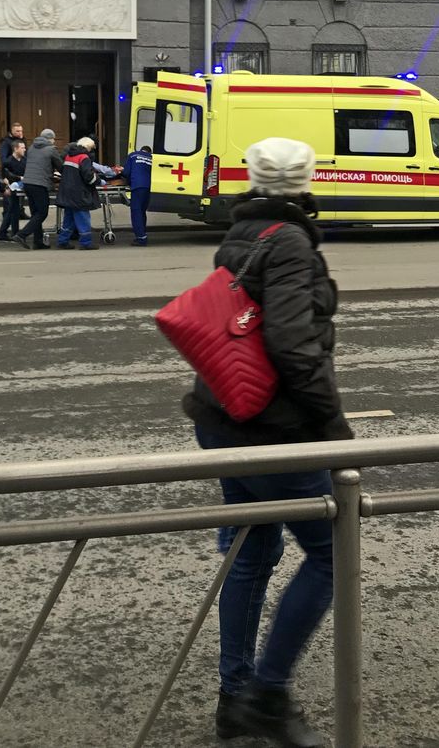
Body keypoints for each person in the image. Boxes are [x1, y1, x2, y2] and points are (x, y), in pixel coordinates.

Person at [182, 137, 352, 748]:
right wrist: (335, 429)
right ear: (307, 179)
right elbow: (292, 345)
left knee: (251, 550)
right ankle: (268, 696)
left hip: (222, 416)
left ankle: (235, 698)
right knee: (333, 554)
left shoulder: (245, 231)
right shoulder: (290, 242)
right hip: (272, 427)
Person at [14, 129, 62, 251]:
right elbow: (60, 166)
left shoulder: (31, 148)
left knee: (36, 213)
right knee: (42, 213)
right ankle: (21, 235)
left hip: (28, 183)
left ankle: (38, 241)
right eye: (53, 139)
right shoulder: (51, 149)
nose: (54, 141)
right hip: (40, 184)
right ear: (50, 139)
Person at [55, 140, 100, 250]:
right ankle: (86, 243)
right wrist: (98, 180)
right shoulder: (84, 158)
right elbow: (88, 176)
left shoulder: (69, 156)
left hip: (67, 192)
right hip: (79, 193)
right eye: (92, 148)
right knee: (83, 218)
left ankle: (63, 241)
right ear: (88, 147)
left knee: (68, 219)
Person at [123, 144, 152, 246]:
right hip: (148, 187)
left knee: (136, 212)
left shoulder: (133, 155)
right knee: (142, 211)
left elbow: (126, 172)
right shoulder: (151, 158)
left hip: (137, 186)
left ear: (141, 150)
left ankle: (141, 238)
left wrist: (128, 182)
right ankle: (143, 233)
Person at [0, 140, 27, 242]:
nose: (24, 149)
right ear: (15, 149)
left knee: (14, 210)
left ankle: (11, 233)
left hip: (20, 189)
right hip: (10, 189)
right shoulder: (8, 161)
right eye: (22, 148)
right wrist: (20, 178)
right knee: (12, 210)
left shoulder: (25, 160)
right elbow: (6, 175)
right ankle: (5, 233)